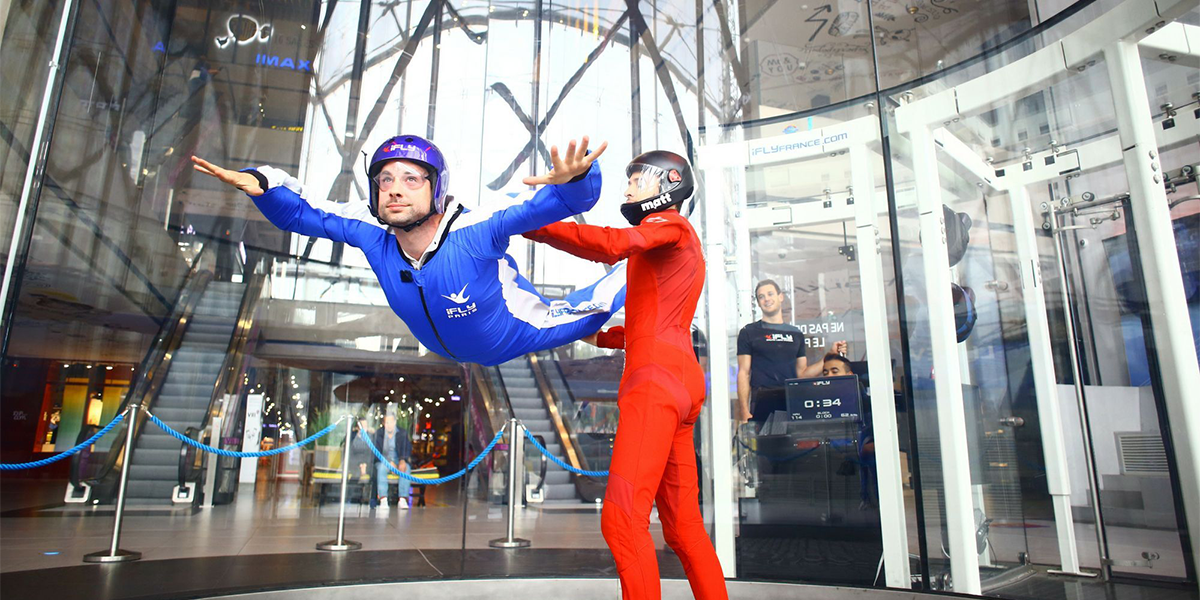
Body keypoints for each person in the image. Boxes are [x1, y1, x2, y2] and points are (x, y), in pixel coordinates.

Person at [190, 135, 624, 366]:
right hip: (445, 349)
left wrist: (576, 179)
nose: (394, 189)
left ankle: (660, 248)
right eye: (385, 180)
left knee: (601, 304)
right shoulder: (370, 232)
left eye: (412, 179)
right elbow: (301, 214)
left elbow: (559, 203)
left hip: (518, 331)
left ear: (437, 189)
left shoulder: (474, 228)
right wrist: (262, 186)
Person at [524, 150, 727, 600]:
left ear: (670, 182)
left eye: (639, 178)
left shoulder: (669, 225)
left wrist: (531, 223)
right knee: (683, 527)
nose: (628, 186)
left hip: (654, 379)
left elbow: (614, 244)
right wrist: (600, 336)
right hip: (679, 375)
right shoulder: (677, 242)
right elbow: (656, 322)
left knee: (621, 519)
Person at [735, 279, 847, 424]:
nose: (766, 299)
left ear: (780, 297)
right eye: (761, 297)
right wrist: (744, 410)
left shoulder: (795, 334)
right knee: (766, 445)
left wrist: (830, 356)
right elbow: (743, 372)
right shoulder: (748, 332)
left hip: (792, 400)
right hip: (763, 401)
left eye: (770, 294)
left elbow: (802, 374)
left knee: (791, 445)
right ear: (758, 302)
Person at [369, 414, 412, 509]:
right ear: (383, 423)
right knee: (381, 468)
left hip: (398, 459)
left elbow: (407, 448)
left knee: (406, 468)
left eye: (391, 422)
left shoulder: (402, 433)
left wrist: (402, 460)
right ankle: (383, 499)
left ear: (395, 422)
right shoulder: (378, 434)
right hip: (383, 460)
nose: (389, 425)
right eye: (387, 422)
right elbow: (376, 452)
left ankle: (402, 498)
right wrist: (389, 462)